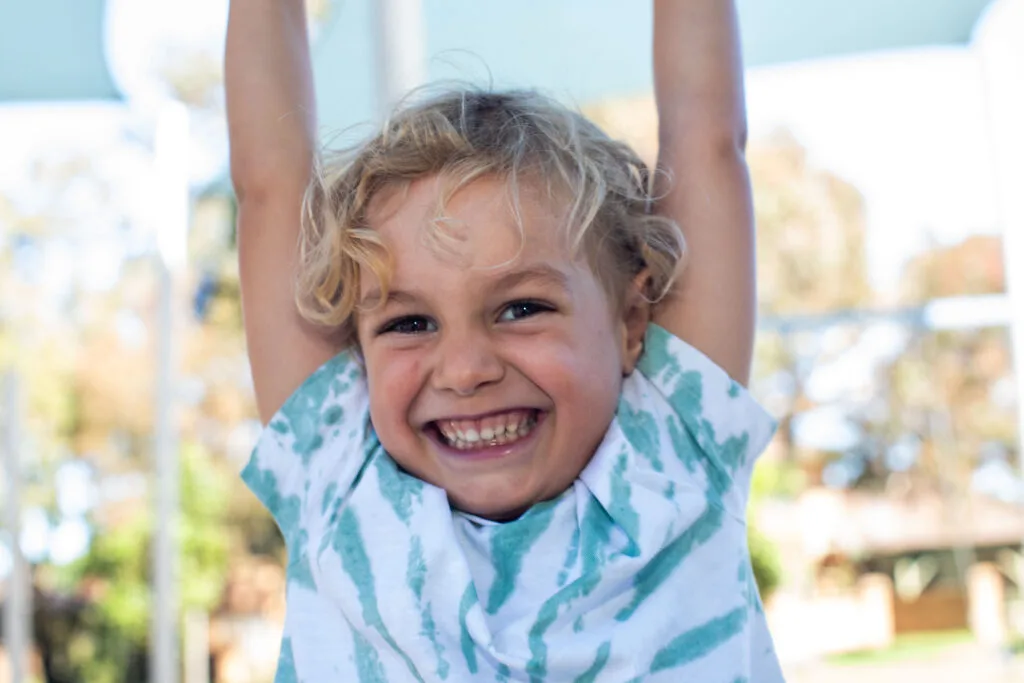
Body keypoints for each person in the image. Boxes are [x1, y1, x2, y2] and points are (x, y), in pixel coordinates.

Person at [225, 0, 785, 680]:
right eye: (409, 322)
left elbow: (707, 137)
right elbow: (269, 183)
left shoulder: (676, 450)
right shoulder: (338, 480)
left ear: (630, 321)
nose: (464, 369)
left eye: (521, 307)